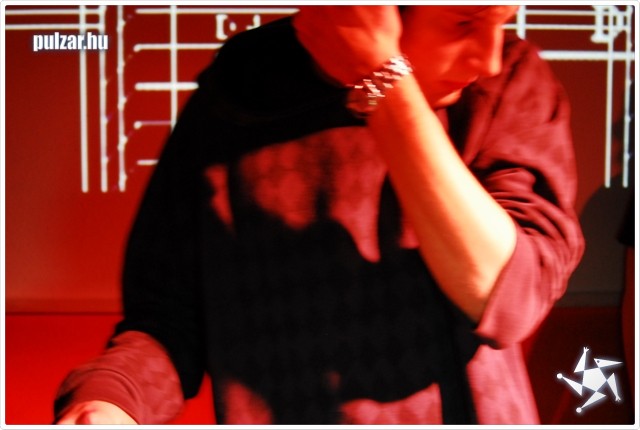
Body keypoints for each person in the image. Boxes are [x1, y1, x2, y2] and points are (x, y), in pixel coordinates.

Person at [54, 5, 585, 425]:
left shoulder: (509, 84)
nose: (488, 58)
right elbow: (167, 321)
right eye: (464, 22)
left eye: (502, 20)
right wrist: (111, 401)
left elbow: (507, 296)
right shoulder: (239, 91)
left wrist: (382, 81)